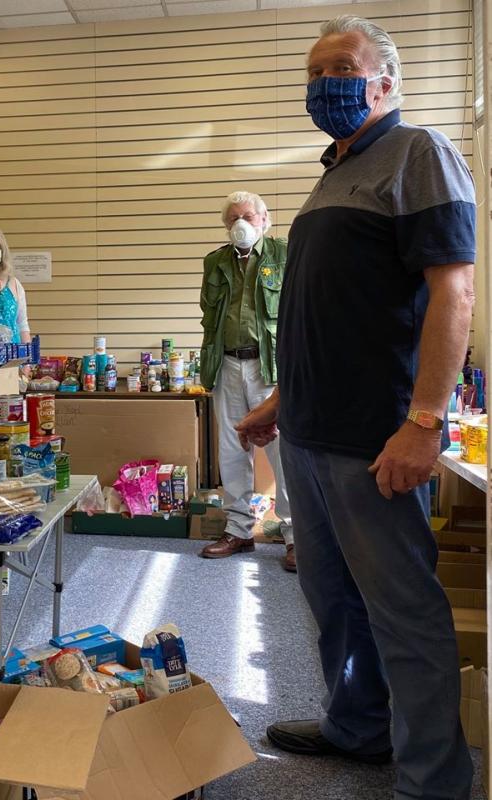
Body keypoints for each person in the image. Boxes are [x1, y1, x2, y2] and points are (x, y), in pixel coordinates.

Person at [236, 15, 476, 800]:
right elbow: (327, 312)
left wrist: (425, 420)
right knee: (331, 600)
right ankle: (359, 726)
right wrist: (279, 401)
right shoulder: (333, 171)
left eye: (341, 66)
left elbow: (454, 290)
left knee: (402, 612)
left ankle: (434, 781)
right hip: (308, 432)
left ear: (387, 79)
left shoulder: (418, 153)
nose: (324, 84)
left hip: (375, 437)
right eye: (314, 72)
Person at [198, 191, 295, 571]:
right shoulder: (215, 262)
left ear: (265, 220)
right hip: (227, 364)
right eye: (233, 218)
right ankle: (238, 530)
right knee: (231, 449)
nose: (241, 223)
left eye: (248, 216)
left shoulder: (284, 254)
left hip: (270, 367)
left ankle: (294, 536)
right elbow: (210, 318)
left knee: (282, 451)